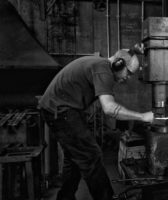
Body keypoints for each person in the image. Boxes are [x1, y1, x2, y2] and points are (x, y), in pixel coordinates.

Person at [39, 47, 154, 200]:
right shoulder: (103, 70)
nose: (128, 78)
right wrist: (142, 116)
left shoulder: (104, 65)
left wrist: (134, 49)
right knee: (91, 155)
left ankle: (65, 197)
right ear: (118, 64)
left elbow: (124, 52)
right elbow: (109, 108)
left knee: (75, 158)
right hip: (60, 110)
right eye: (129, 73)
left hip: (61, 108)